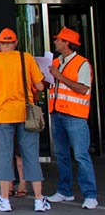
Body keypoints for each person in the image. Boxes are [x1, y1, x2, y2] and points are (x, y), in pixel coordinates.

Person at [0, 28, 49, 213]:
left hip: (3, 115)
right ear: (16, 42)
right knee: (30, 156)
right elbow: (40, 85)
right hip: (25, 114)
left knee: (4, 156)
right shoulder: (26, 58)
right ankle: (38, 199)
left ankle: (4, 200)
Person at [46, 27, 98, 210]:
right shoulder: (55, 61)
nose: (55, 42)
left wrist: (59, 76)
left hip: (75, 116)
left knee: (81, 155)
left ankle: (90, 195)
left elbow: (84, 89)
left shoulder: (82, 63)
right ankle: (65, 191)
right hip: (57, 113)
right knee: (61, 155)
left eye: (58, 40)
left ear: (67, 42)